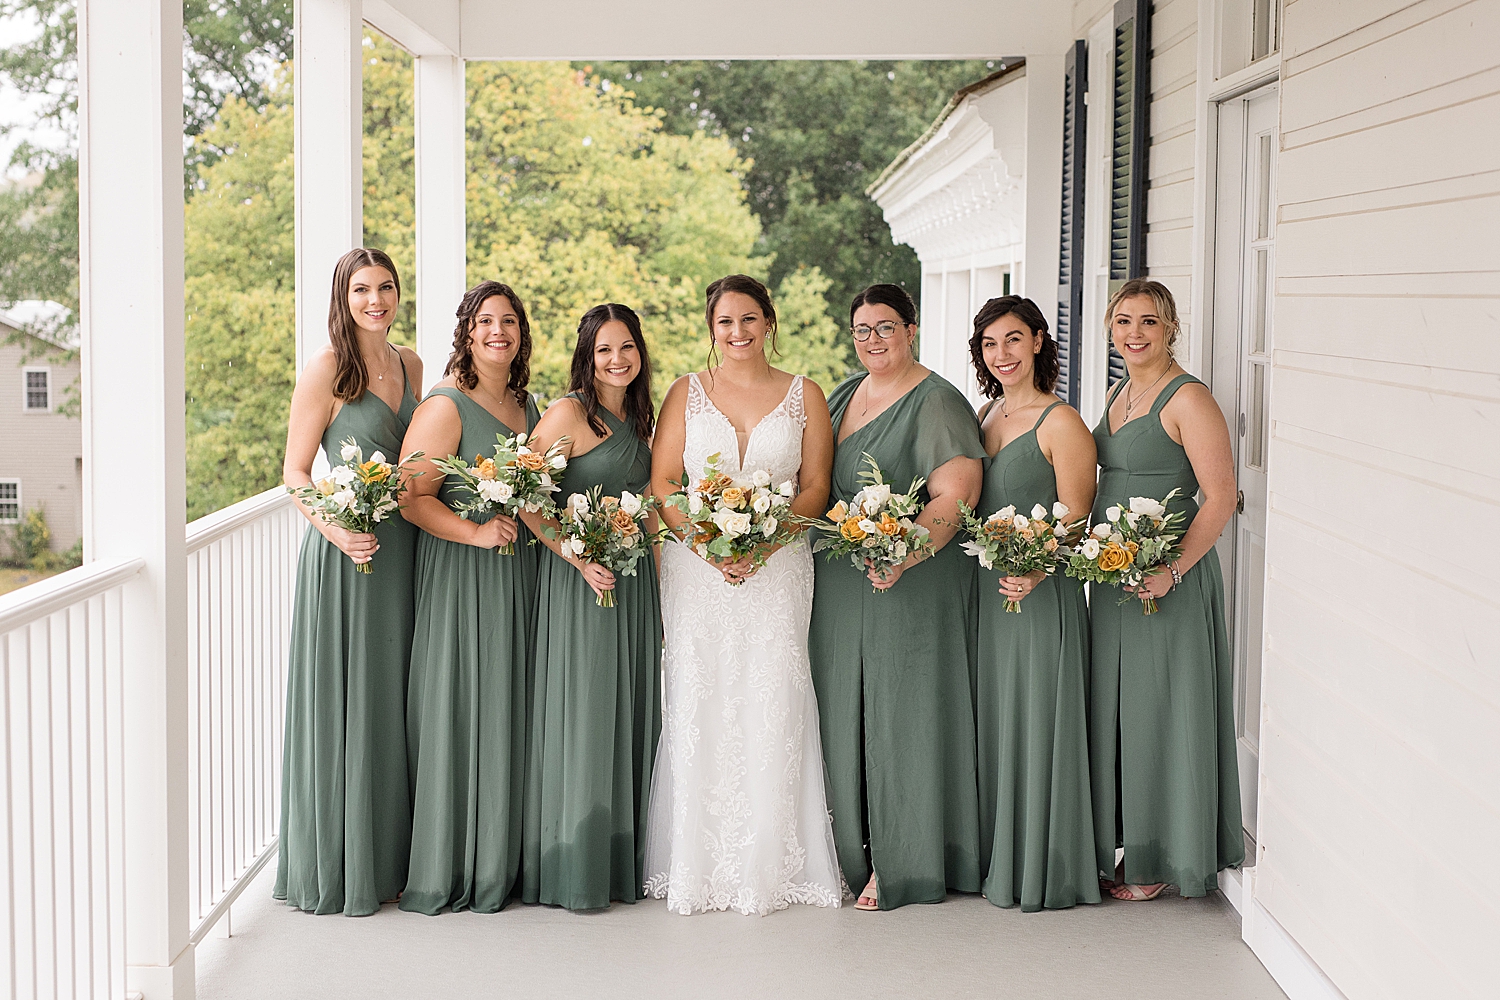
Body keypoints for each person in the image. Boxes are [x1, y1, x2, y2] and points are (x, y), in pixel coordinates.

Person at [643, 274, 842, 915]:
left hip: (779, 565)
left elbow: (815, 485)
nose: (737, 332)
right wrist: (707, 546)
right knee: (702, 693)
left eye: (749, 319)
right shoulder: (685, 393)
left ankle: (773, 861)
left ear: (769, 322)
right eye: (725, 322)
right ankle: (696, 864)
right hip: (697, 569)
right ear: (711, 329)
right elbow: (665, 482)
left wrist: (766, 540)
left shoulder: (804, 393)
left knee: (772, 691)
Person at [808, 283, 986, 911]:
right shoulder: (842, 395)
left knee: (901, 715)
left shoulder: (936, 401)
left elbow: (957, 493)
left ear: (911, 328)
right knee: (842, 712)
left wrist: (904, 552)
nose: (873, 340)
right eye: (862, 330)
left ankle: (904, 861)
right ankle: (844, 853)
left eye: (885, 327)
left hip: (908, 582)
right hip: (837, 584)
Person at [276, 247, 423, 915]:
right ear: (343, 296)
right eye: (361, 288)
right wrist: (336, 531)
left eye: (385, 287)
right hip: (347, 554)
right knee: (351, 699)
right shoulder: (328, 368)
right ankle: (343, 864)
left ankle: (392, 856)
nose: (375, 300)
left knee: (396, 701)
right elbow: (296, 473)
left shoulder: (413, 364)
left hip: (407, 552)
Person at [1089, 278, 1243, 902]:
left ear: (1170, 327)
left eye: (1147, 322)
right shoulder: (1119, 391)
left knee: (1161, 711)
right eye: (1123, 322)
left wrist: (1172, 568)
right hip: (1117, 573)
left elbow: (1223, 497)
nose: (1134, 333)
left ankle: (1159, 858)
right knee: (1121, 712)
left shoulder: (1189, 399)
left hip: (1168, 576)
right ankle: (1127, 840)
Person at [397, 281, 541, 914]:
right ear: (467, 330)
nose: (498, 332)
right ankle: (454, 862)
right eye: (486, 321)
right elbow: (411, 497)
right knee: (462, 705)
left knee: (511, 707)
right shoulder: (446, 406)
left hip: (522, 578)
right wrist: (476, 533)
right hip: (463, 578)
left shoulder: (527, 405)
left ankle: (505, 861)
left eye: (508, 321)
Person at [519, 303, 661, 911]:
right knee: (585, 711)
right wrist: (575, 556)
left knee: (629, 707)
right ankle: (575, 868)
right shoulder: (568, 413)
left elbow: (652, 507)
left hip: (633, 584)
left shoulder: (641, 416)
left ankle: (622, 860)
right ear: (587, 355)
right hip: (581, 583)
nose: (617, 359)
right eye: (605, 349)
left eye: (627, 346)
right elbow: (528, 498)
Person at [969, 296, 1099, 911]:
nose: (1003, 354)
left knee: (1039, 715)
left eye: (1014, 340)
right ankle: (1001, 854)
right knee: (998, 717)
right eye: (992, 344)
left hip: (1042, 593)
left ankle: (1047, 866)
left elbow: (1077, 513)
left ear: (1041, 341)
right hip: (990, 595)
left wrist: (1037, 569)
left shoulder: (1061, 422)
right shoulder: (984, 414)